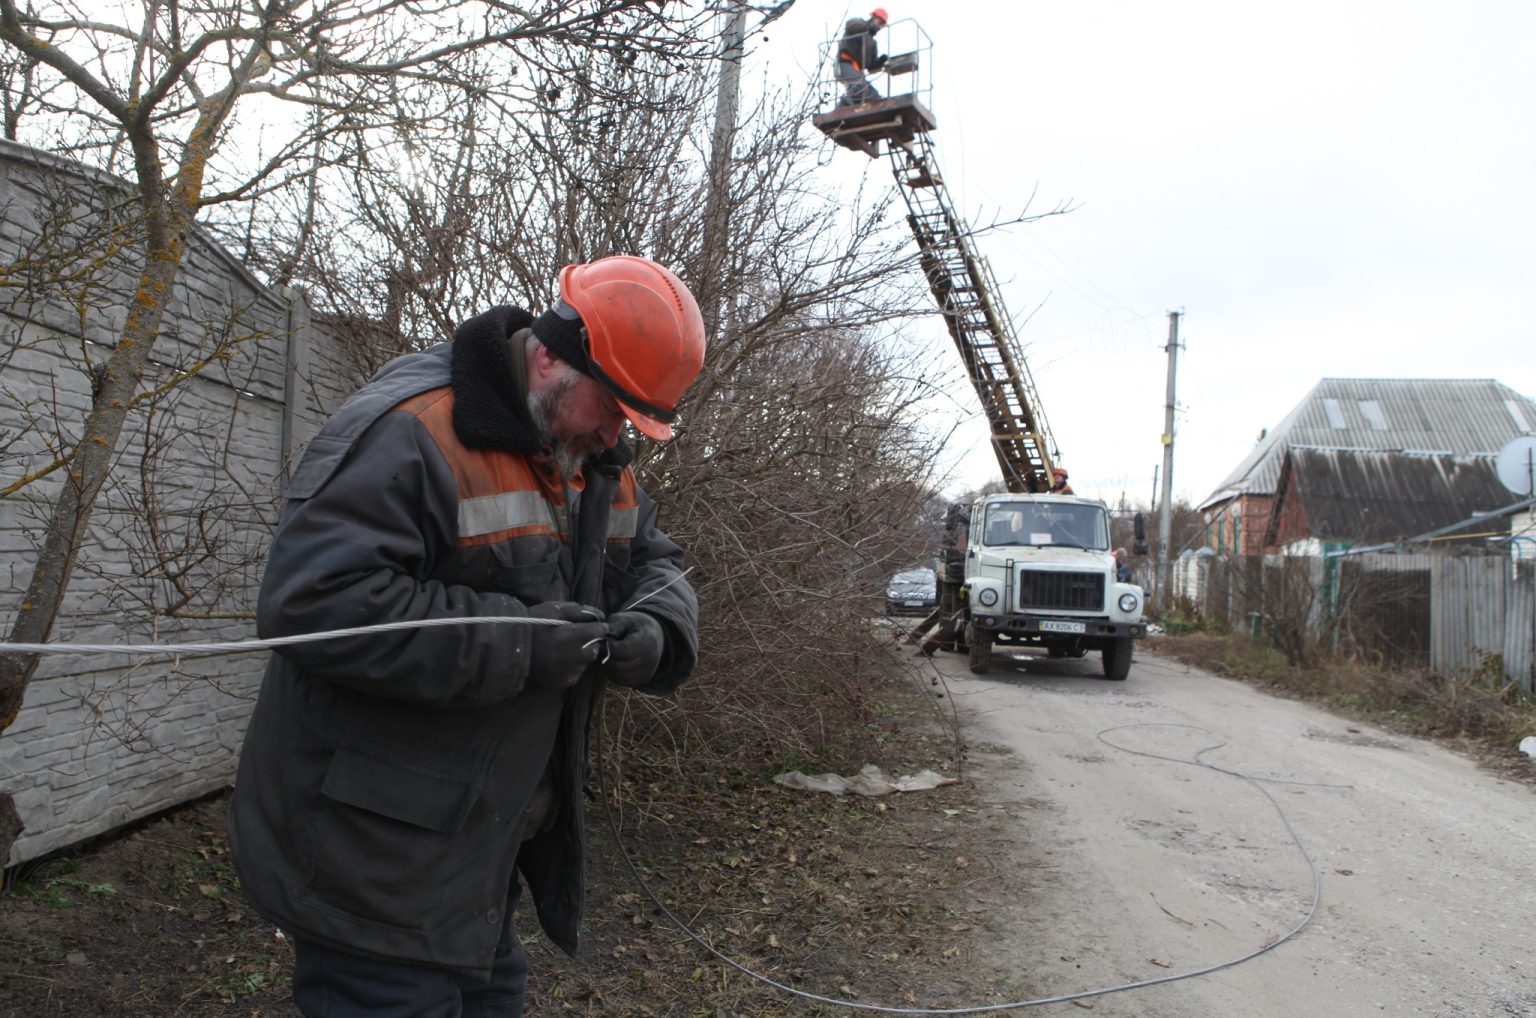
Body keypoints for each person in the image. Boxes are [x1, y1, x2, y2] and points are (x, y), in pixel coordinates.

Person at [227, 255, 706, 1018]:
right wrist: (519, 645)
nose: (618, 431)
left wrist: (657, 630)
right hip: (374, 868)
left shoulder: (596, 458)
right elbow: (311, 603)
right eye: (610, 404)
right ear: (550, 354)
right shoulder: (415, 431)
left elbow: (657, 563)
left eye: (634, 417)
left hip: (478, 862)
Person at [836, 7, 889, 107]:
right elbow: (849, 25)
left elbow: (870, 67)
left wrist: (880, 61)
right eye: (879, 21)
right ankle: (840, 108)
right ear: (873, 17)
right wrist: (867, 27)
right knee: (858, 90)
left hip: (858, 72)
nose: (880, 25)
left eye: (882, 24)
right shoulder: (859, 24)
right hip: (846, 63)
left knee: (874, 96)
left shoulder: (873, 43)